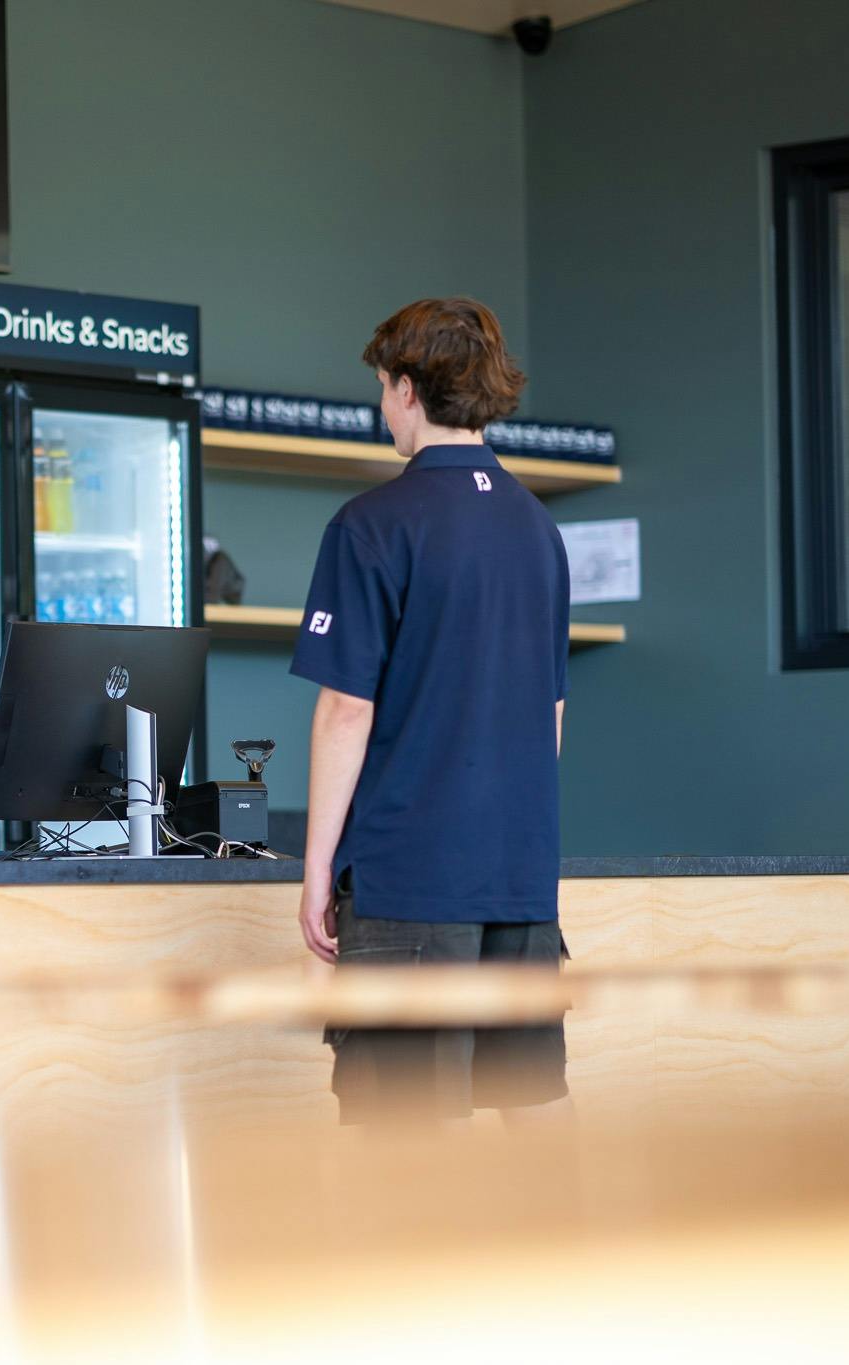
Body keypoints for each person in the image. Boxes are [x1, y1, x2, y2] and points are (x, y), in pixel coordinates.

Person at [291, 298, 572, 1126]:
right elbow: (550, 714)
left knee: (408, 1135)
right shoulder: (539, 530)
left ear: (408, 389)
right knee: (533, 1110)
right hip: (521, 879)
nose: (383, 407)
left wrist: (316, 871)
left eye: (384, 387)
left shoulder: (370, 526)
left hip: (409, 879)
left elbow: (346, 710)